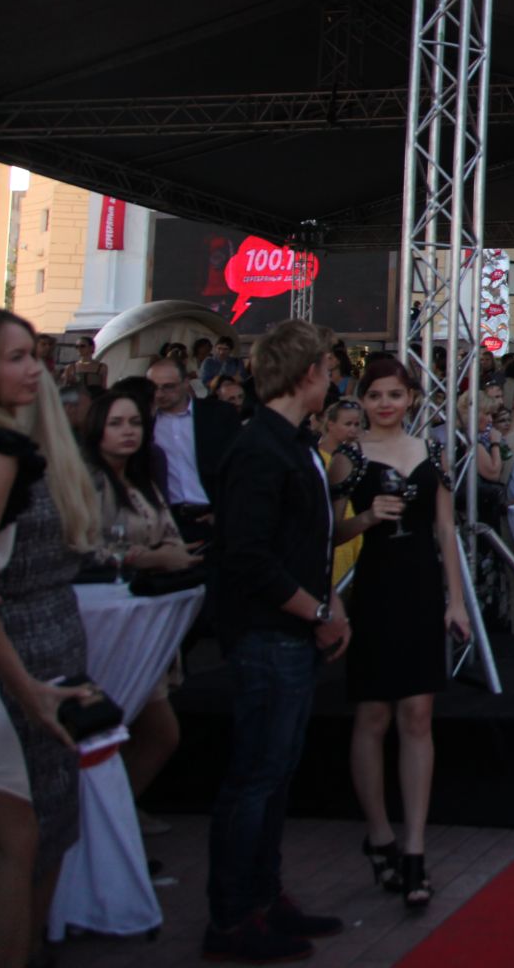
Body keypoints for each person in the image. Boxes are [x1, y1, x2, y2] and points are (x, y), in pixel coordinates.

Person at [204, 318, 349, 962]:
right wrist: (318, 610)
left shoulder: (291, 443)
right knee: (255, 778)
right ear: (307, 373)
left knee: (276, 772)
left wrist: (327, 599)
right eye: (327, 365)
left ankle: (264, 894)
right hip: (268, 634)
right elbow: (249, 557)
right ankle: (233, 916)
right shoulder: (259, 448)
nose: (334, 375)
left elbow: (304, 540)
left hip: (291, 630)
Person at [330, 359, 471, 911]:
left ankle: (414, 848)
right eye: (374, 396)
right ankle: (379, 834)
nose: (384, 403)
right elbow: (329, 529)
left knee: (417, 714)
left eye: (394, 394)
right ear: (361, 400)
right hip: (373, 590)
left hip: (419, 589)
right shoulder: (349, 458)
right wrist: (365, 520)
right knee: (372, 715)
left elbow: (445, 528)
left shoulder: (429, 453)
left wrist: (455, 600)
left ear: (410, 398)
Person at [0, 311, 101, 967]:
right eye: (14, 357)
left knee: (47, 823)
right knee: (22, 834)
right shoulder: (6, 453)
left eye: (34, 354)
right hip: (17, 660)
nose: (33, 367)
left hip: (52, 642)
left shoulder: (32, 446)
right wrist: (28, 690)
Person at [82, 386, 205, 831]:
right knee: (126, 730)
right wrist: (150, 556)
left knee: (157, 732)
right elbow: (86, 549)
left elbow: (170, 534)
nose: (127, 432)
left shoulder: (144, 480)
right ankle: (107, 824)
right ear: (97, 429)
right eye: (116, 424)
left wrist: (168, 553)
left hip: (144, 617)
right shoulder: (89, 483)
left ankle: (114, 818)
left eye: (134, 422)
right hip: (104, 623)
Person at [147, 354, 241, 547]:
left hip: (213, 516)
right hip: (168, 522)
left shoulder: (218, 414)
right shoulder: (146, 424)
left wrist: (224, 513)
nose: (160, 393)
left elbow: (240, 466)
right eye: (154, 388)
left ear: (185, 383)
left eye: (168, 386)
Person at [317, 399, 367, 587]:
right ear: (330, 425)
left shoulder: (359, 457)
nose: (353, 429)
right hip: (332, 540)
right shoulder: (317, 456)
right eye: (348, 424)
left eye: (357, 424)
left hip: (356, 536)